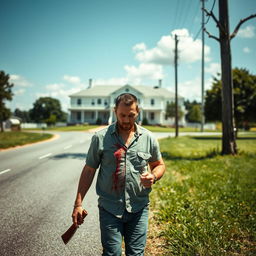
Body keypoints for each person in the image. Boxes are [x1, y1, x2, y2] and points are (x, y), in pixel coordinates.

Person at [72, 93, 165, 256]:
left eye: (131, 115)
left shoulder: (148, 138)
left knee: (136, 254)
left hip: (138, 207)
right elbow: (89, 170)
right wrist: (78, 204)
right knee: (112, 254)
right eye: (122, 115)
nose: (127, 120)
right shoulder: (100, 138)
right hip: (109, 209)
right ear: (115, 111)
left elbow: (159, 165)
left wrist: (154, 176)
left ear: (138, 112)